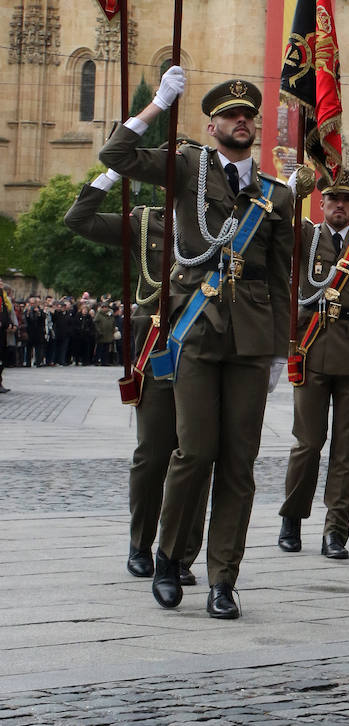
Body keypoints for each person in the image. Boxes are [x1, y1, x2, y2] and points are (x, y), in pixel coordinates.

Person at [100, 67, 292, 620]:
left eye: (248, 115)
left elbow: (281, 278)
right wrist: (156, 106)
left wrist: (280, 348)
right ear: (211, 126)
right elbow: (116, 155)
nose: (241, 122)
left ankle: (223, 579)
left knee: (240, 463)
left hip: (252, 337)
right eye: (231, 115)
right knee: (194, 451)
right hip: (196, 328)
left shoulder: (273, 196)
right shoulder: (187, 168)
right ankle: (166, 557)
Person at [65, 168, 208, 583]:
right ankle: (140, 544)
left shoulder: (219, 224)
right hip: (159, 348)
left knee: (198, 454)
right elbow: (78, 220)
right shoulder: (144, 222)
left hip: (207, 342)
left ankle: (179, 553)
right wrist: (111, 174)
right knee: (152, 454)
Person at [278, 166, 349, 559]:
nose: (339, 205)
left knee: (347, 449)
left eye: (346, 200)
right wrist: (292, 192)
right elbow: (279, 223)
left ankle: (335, 530)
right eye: (332, 199)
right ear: (321, 203)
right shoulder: (305, 237)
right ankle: (291, 518)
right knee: (307, 444)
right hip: (311, 353)